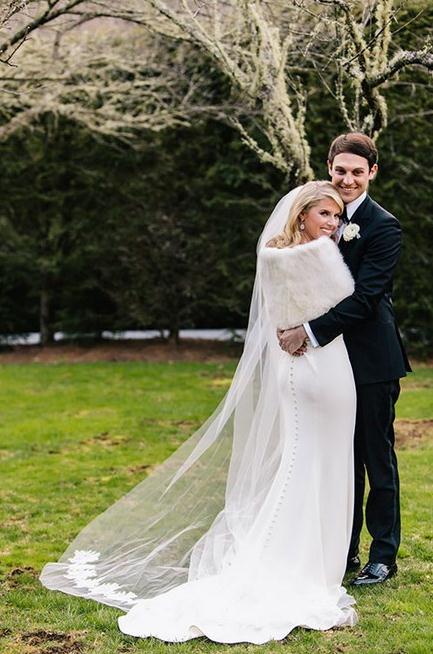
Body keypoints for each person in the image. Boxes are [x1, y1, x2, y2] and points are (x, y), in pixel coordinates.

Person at [40, 181, 358, 644]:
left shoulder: (274, 254)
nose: (332, 223)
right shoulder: (318, 256)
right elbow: (348, 297)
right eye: (324, 214)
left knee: (302, 463)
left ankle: (299, 557)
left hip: (296, 369)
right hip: (322, 369)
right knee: (318, 464)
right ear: (302, 214)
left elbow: (280, 318)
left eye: (337, 216)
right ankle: (306, 565)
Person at [279, 133, 411, 586]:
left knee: (377, 458)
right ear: (329, 168)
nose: (348, 180)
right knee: (340, 458)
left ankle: (383, 556)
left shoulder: (384, 226)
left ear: (372, 172)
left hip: (371, 360)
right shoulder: (319, 214)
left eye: (357, 172)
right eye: (340, 170)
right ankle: (343, 549)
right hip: (328, 365)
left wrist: (308, 331)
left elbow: (367, 297)